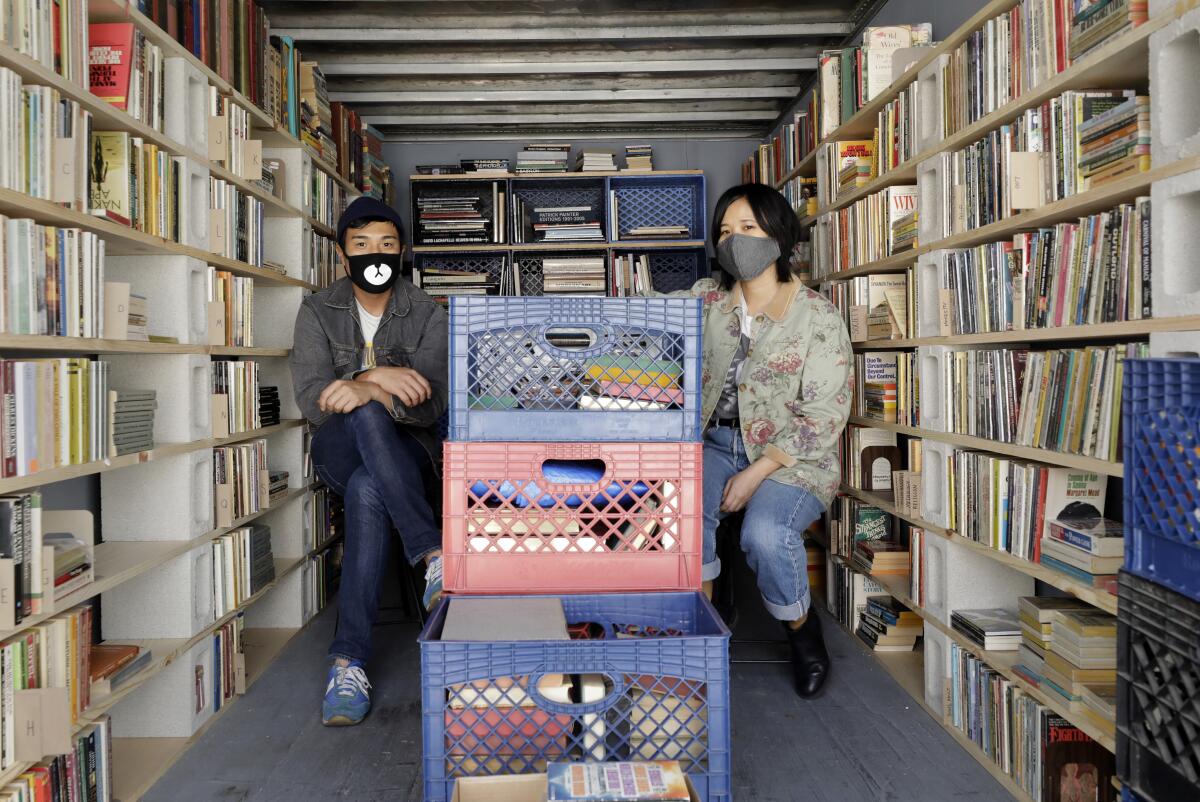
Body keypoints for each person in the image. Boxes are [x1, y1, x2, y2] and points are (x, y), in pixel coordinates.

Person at [674, 183, 852, 698]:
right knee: (684, 517)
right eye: (725, 232)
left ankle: (802, 632)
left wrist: (756, 472)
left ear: (778, 233)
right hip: (711, 445)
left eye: (747, 228)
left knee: (765, 536)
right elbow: (644, 324)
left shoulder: (817, 316)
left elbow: (823, 415)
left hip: (792, 459)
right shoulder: (705, 302)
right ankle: (701, 637)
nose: (734, 241)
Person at [289, 196, 447, 726]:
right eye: (361, 245)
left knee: (367, 489)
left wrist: (362, 392)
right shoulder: (317, 309)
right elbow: (313, 397)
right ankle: (431, 556)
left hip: (408, 452)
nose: (373, 254)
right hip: (338, 447)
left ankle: (347, 663)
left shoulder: (426, 312)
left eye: (385, 244)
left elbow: (432, 403)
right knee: (361, 420)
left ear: (401, 251)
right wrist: (374, 379)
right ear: (342, 253)